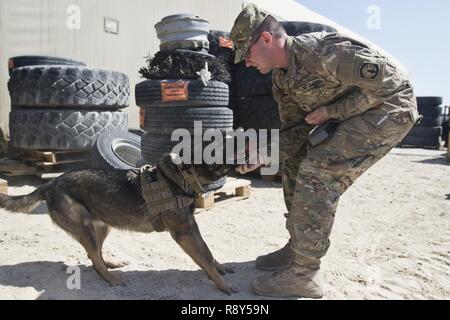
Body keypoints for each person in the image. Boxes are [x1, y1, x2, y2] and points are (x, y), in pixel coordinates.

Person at [231, 3, 420, 298]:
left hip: (389, 110)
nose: (246, 64)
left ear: (266, 40)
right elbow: (295, 131)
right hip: (353, 115)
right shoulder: (282, 79)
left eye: (247, 54)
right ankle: (297, 248)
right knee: (294, 162)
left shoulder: (323, 53)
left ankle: (305, 274)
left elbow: (394, 84)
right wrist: (265, 153)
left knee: (318, 170)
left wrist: (334, 109)